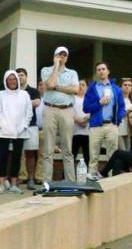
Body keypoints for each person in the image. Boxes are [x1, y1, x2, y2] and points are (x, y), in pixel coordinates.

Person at [39, 46, 79, 186]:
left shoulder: (72, 72)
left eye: (64, 55)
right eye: (59, 55)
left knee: (67, 148)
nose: (62, 57)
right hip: (50, 109)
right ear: (54, 56)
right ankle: (47, 183)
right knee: (48, 148)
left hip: (67, 111)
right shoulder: (46, 70)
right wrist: (56, 66)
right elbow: (49, 84)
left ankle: (71, 182)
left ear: (67, 57)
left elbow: (75, 89)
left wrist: (57, 87)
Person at [83, 61, 125, 180]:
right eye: (99, 70)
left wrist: (118, 120)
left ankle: (111, 178)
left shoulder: (116, 89)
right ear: (96, 73)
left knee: (112, 154)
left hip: (111, 124)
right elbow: (86, 108)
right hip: (96, 125)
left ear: (108, 71)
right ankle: (92, 178)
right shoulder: (92, 89)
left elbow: (122, 107)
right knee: (93, 154)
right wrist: (99, 103)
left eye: (103, 69)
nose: (101, 71)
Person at [0, 70, 32, 194]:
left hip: (20, 131)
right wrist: (4, 126)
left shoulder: (24, 94)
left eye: (14, 79)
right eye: (9, 79)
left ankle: (14, 184)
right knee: (3, 157)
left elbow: (28, 112)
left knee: (17, 157)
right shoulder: (1, 94)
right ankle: (2, 185)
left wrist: (23, 126)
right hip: (4, 131)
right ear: (6, 81)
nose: (12, 81)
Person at [15, 68, 42, 188]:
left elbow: (37, 103)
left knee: (30, 152)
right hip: (15, 125)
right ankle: (19, 177)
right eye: (18, 75)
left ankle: (31, 178)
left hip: (31, 125)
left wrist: (20, 104)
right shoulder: (12, 91)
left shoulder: (33, 90)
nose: (20, 77)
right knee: (16, 153)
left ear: (26, 77)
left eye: (22, 75)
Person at [72, 80, 90, 169]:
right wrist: (78, 120)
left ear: (87, 87)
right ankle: (67, 177)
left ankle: (88, 177)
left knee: (88, 156)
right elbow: (69, 112)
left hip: (87, 133)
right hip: (74, 132)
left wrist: (85, 120)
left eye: (83, 85)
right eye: (79, 85)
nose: (81, 86)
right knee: (72, 155)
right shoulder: (72, 99)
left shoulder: (90, 99)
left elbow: (93, 111)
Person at [118, 78, 132, 151]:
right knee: (123, 151)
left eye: (129, 85)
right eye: (125, 85)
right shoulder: (117, 100)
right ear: (121, 87)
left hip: (130, 131)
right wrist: (126, 112)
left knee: (129, 151)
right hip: (119, 130)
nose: (127, 87)